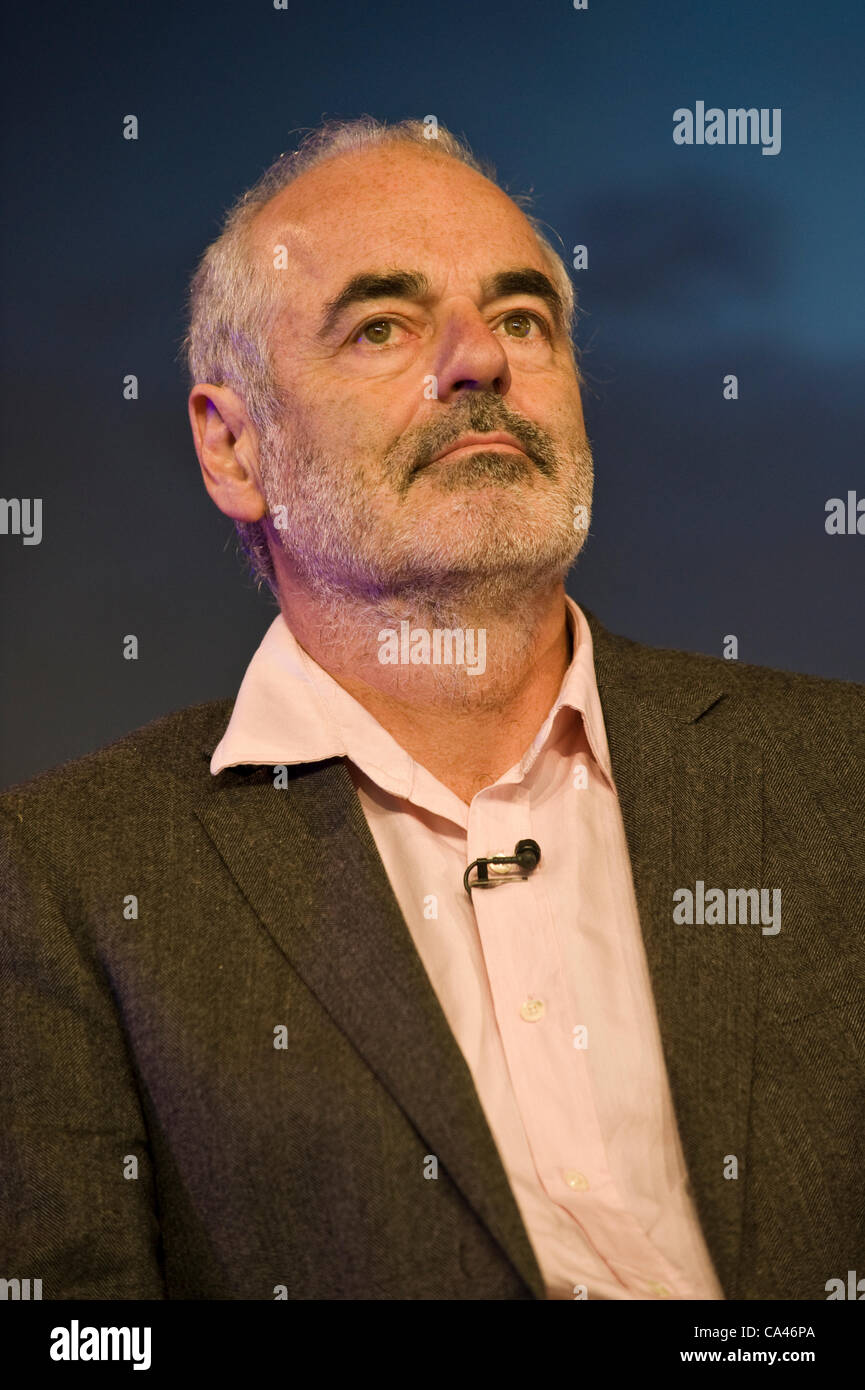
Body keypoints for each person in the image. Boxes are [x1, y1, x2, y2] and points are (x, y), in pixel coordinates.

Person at [1, 117, 862, 1302]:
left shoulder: (838, 777)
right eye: (383, 326)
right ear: (233, 447)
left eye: (520, 318)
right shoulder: (61, 878)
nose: (479, 362)